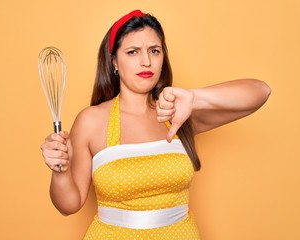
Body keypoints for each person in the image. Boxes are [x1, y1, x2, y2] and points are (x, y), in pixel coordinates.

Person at [40, 9, 271, 239]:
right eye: (133, 52)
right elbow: (69, 205)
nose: (146, 61)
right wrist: (59, 170)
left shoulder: (178, 113)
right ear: (114, 62)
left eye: (154, 50)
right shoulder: (91, 121)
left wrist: (195, 97)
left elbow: (260, 92)